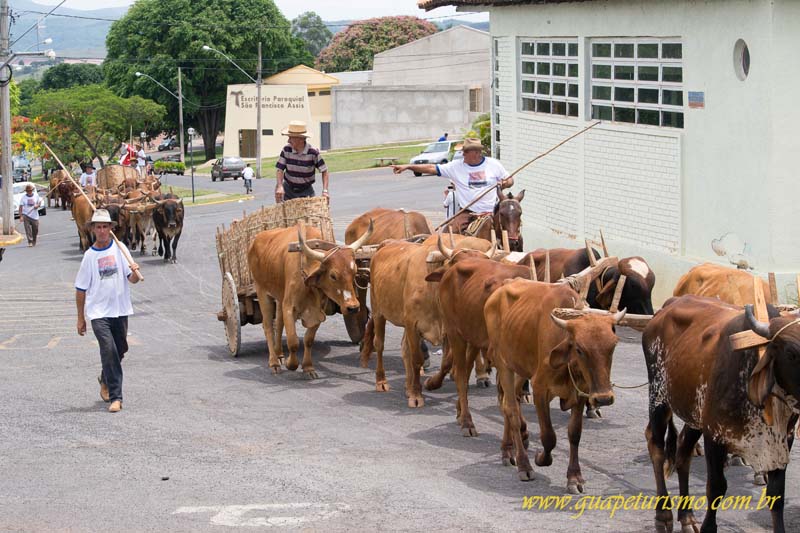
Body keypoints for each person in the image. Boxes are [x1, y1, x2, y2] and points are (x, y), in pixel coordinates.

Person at [75, 209, 141, 413]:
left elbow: (132, 278)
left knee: (120, 349)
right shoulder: (89, 256)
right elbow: (80, 289)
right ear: (93, 229)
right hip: (98, 312)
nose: (102, 231)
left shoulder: (120, 249)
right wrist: (80, 318)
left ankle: (105, 377)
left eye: (105, 227)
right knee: (108, 349)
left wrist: (136, 272)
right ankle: (116, 397)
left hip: (120, 309)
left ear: (111, 228)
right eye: (98, 227)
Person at [393, 137, 513, 233]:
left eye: (466, 151)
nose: (463, 154)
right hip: (468, 213)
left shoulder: (493, 164)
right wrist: (408, 167)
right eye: (463, 151)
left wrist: (505, 183)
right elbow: (431, 168)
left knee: (512, 234)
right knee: (447, 235)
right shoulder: (455, 166)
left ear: (477, 153)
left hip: (492, 212)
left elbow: (510, 180)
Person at [274, 121, 329, 203]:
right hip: (288, 190)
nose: (288, 141)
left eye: (290, 138)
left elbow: (324, 171)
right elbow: (280, 170)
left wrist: (325, 191)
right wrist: (280, 186)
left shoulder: (313, 153)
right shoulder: (286, 150)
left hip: (306, 191)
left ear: (300, 139)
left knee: (309, 214)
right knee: (285, 214)